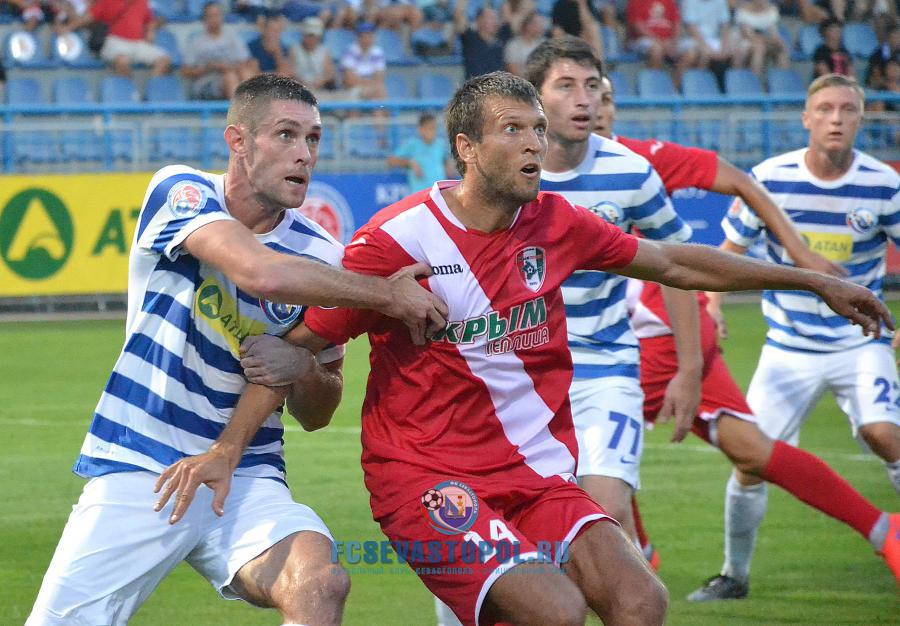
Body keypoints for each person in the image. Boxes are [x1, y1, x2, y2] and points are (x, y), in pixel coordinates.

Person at [154, 70, 893, 626]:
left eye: (537, 128)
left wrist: (812, 280)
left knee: (642, 601)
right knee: (556, 611)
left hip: (537, 475)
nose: (535, 142)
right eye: (513, 129)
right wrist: (228, 448)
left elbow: (672, 262)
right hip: (424, 478)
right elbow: (296, 347)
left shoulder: (557, 223)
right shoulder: (396, 241)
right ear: (467, 148)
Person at [26, 74, 447, 625]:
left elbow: (318, 412)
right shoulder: (180, 190)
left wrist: (302, 368)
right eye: (286, 135)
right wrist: (386, 295)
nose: (304, 154)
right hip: (142, 460)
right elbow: (258, 271)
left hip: (246, 472)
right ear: (238, 142)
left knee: (320, 582)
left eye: (313, 139)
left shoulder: (325, 257)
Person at [590, 73, 900, 595]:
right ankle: (657, 554)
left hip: (659, 338)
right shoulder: (533, 168)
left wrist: (800, 256)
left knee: (579, 447)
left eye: (601, 95)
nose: (592, 105)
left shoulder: (640, 159)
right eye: (570, 89)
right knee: (748, 454)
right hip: (627, 342)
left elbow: (733, 189)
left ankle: (625, 556)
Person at [698, 72, 900, 600]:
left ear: (861, 120)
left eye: (848, 110)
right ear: (806, 118)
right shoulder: (770, 178)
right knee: (750, 460)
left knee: (885, 435)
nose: (836, 119)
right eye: (826, 109)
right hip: (788, 347)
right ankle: (734, 575)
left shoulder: (883, 183)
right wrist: (712, 306)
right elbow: (727, 253)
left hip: (861, 342)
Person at [524, 35, 698, 545]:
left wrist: (690, 370)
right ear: (535, 98)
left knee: (607, 510)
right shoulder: (503, 174)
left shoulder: (631, 171)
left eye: (592, 86)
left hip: (606, 367)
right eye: (566, 86)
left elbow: (678, 265)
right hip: (520, 372)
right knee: (522, 526)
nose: (584, 99)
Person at [60, 0, 171, 77]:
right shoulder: (107, 1)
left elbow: (149, 21)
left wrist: (151, 30)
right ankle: (129, 95)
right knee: (122, 61)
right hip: (114, 41)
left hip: (138, 43)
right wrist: (68, 28)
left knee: (164, 60)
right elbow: (88, 17)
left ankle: (149, 96)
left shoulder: (142, 1)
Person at [181, 2, 257, 100]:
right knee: (230, 77)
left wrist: (227, 67)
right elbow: (185, 71)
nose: (214, 19)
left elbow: (245, 62)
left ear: (222, 17)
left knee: (246, 73)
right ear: (204, 19)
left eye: (217, 15)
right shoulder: (196, 42)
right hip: (206, 82)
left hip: (233, 74)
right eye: (210, 16)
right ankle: (239, 109)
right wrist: (209, 68)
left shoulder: (233, 38)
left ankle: (254, 106)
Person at [624, 0, 697, 89]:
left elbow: (676, 24)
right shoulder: (636, 1)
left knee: (691, 52)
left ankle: (673, 88)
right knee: (657, 49)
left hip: (667, 41)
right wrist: (661, 42)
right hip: (641, 39)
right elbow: (638, 27)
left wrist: (674, 42)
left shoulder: (669, 2)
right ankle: (653, 87)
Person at [387, 112, 453, 192]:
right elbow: (391, 161)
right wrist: (409, 163)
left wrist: (448, 167)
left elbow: (447, 162)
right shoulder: (412, 145)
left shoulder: (440, 144)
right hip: (420, 194)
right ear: (420, 129)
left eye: (434, 128)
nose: (433, 131)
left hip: (438, 193)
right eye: (429, 128)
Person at [453, 0, 512, 79]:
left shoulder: (503, 36)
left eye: (496, 18)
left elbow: (511, 15)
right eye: (490, 18)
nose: (495, 21)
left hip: (499, 84)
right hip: (476, 84)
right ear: (479, 20)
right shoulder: (470, 38)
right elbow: (458, 16)